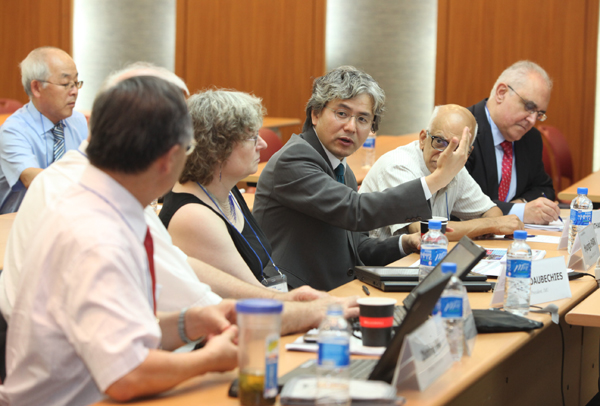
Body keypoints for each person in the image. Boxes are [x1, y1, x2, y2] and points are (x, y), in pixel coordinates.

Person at [0, 63, 356, 335]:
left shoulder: (99, 180)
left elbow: (176, 262)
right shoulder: (85, 197)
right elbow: (180, 310)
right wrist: (290, 310)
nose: (186, 148)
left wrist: (278, 301)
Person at [0, 76, 240, 405]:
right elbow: (126, 376)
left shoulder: (96, 199)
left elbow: (117, 333)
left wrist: (188, 323)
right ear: (169, 158)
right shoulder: (98, 234)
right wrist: (211, 360)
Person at [253, 66, 471, 291]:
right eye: (341, 114)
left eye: (362, 119)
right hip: (289, 296)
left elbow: (357, 247)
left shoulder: (341, 169)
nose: (351, 127)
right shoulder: (294, 159)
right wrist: (438, 179)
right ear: (315, 114)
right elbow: (355, 211)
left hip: (333, 292)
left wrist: (405, 243)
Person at [160, 90, 277, 287]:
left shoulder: (226, 189)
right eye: (253, 137)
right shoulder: (193, 217)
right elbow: (251, 293)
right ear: (217, 147)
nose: (263, 144)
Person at [360, 104, 524, 240]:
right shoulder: (399, 166)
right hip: (376, 264)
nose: (446, 154)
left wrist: (489, 223)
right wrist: (490, 225)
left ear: (467, 153)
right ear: (423, 139)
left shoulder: (455, 167)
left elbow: (492, 212)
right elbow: (424, 232)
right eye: (440, 141)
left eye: (457, 148)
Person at [466, 60, 560, 225]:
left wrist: (521, 203)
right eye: (529, 107)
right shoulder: (464, 131)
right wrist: (519, 211)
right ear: (501, 93)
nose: (532, 120)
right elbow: (461, 203)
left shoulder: (531, 138)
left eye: (539, 114)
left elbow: (544, 189)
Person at [0, 47, 87, 213]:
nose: (75, 91)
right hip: (18, 222)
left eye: (76, 83)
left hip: (69, 219)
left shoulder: (78, 122)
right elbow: (34, 180)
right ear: (37, 88)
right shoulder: (13, 130)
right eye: (65, 84)